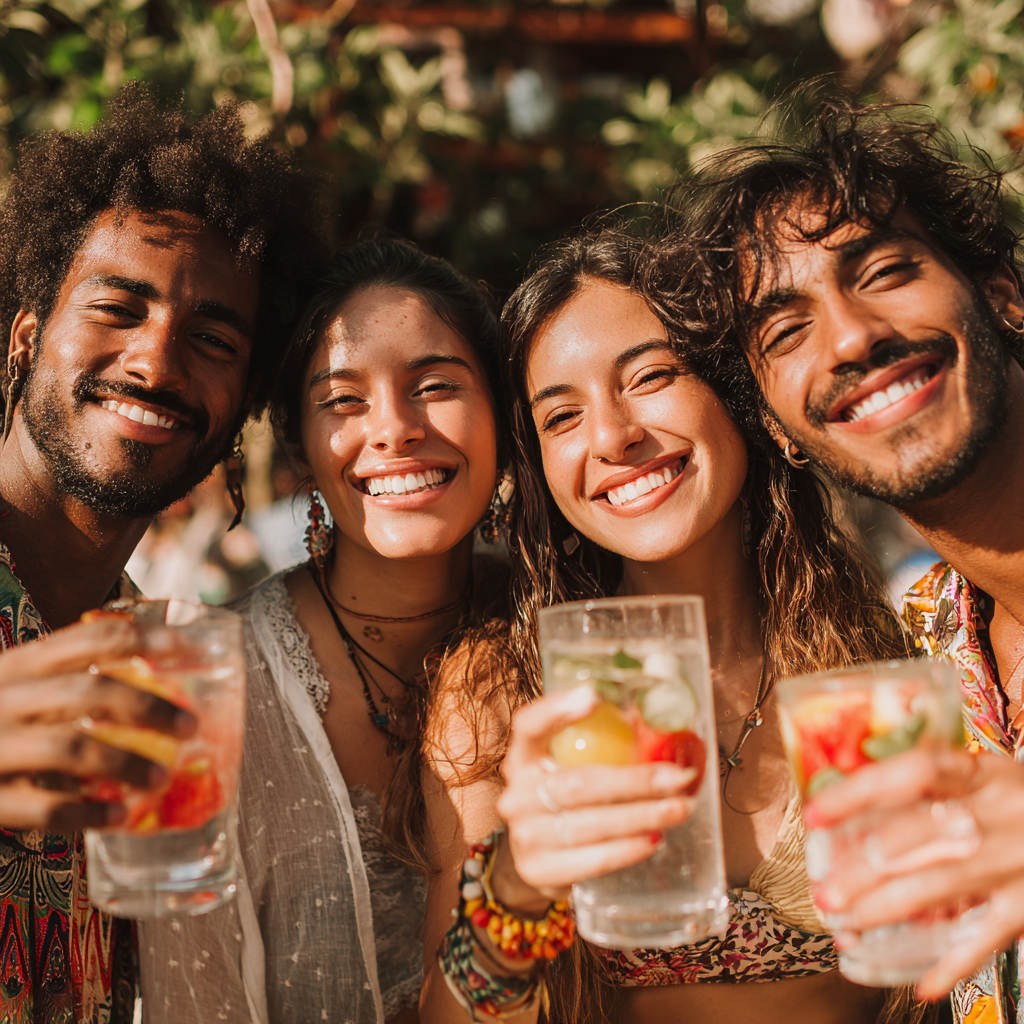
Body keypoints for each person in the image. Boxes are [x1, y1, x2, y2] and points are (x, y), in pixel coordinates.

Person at [431, 226, 930, 1023]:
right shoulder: (504, 689)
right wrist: (518, 888)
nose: (613, 435)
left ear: (739, 394)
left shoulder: (890, 652)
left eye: (652, 376)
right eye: (561, 419)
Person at [659, 96, 1024, 1021]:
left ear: (1003, 291)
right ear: (778, 428)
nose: (853, 337)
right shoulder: (921, 647)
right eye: (786, 332)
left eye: (888, 271)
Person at [0, 83, 327, 1023]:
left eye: (214, 339)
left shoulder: (159, 661)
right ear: (28, 333)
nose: (157, 360)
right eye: (119, 307)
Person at [138, 238, 514, 1024]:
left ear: (501, 413)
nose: (395, 429)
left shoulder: (572, 628)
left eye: (435, 385)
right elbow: (188, 1001)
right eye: (343, 399)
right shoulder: (193, 685)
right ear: (301, 449)